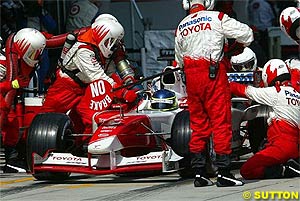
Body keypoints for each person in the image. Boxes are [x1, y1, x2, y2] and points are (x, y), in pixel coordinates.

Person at [175, 0, 253, 187]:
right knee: (220, 123)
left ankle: (199, 173)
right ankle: (224, 172)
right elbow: (247, 34)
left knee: (198, 124)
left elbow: (179, 60)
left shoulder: (181, 26)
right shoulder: (216, 17)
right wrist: (233, 47)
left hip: (191, 79)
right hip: (212, 74)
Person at [40, 15, 137, 137]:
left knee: (88, 117)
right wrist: (122, 93)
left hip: (87, 86)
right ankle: (26, 145)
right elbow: (98, 77)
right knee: (46, 119)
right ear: (104, 36)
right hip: (66, 87)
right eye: (113, 41)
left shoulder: (101, 48)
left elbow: (110, 74)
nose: (115, 45)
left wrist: (127, 86)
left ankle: (85, 146)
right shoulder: (84, 50)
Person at [230, 58, 300, 179]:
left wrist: (223, 83)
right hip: (295, 145)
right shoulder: (297, 94)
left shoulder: (275, 93)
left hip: (281, 145)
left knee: (247, 170)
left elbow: (246, 91)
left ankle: (285, 170)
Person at [0, 28, 46, 173]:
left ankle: (12, 160)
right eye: (33, 52)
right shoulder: (2, 62)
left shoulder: (15, 58)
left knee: (12, 124)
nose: (36, 56)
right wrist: (13, 84)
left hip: (6, 98)